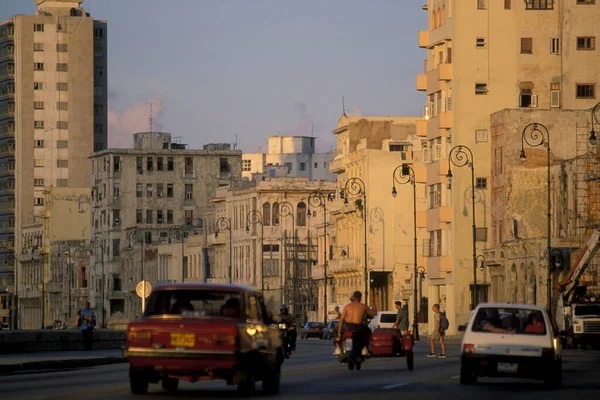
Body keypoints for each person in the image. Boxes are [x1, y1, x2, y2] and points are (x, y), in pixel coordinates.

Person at [336, 291, 377, 357]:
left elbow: (341, 320)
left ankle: (338, 348)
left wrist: (338, 333)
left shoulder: (347, 307)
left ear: (353, 297)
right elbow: (374, 313)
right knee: (368, 331)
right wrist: (373, 302)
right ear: (360, 298)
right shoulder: (363, 306)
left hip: (347, 327)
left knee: (336, 333)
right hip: (358, 327)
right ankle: (364, 348)